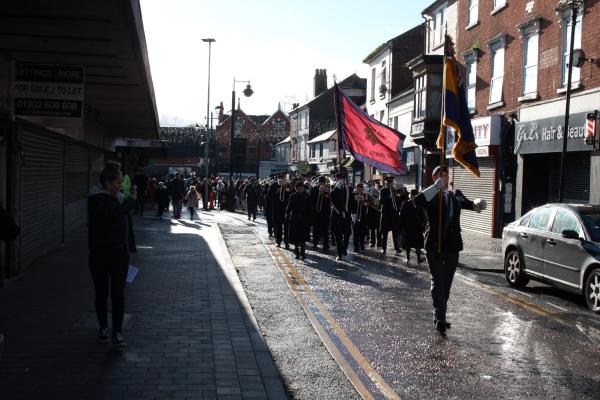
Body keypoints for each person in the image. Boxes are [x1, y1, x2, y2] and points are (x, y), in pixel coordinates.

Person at [414, 165, 486, 335]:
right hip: (435, 245)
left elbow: (470, 205)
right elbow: (417, 201)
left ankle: (439, 312)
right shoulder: (431, 195)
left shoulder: (455, 195)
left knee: (446, 285)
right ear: (434, 178)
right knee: (437, 283)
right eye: (440, 175)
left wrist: (478, 204)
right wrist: (435, 187)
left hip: (452, 246)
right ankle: (440, 318)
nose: (444, 178)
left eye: (446, 175)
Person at [87, 161, 136, 348]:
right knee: (101, 293)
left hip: (119, 255)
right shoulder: (96, 199)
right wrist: (130, 201)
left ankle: (117, 332)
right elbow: (113, 215)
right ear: (107, 183)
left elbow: (125, 225)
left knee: (118, 294)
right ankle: (103, 328)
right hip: (100, 254)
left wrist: (129, 247)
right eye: (118, 182)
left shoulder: (120, 198)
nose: (121, 186)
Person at [399, 189, 426, 263]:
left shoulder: (419, 204)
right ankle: (408, 258)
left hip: (417, 227)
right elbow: (402, 215)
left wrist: (423, 225)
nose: (413, 197)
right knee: (408, 243)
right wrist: (402, 226)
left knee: (418, 243)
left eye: (415, 195)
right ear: (410, 196)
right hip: (408, 227)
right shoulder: (405, 203)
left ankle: (419, 258)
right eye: (412, 195)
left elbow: (423, 216)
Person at [330, 169, 352, 261]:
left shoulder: (349, 189)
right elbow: (331, 198)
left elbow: (352, 201)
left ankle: (344, 248)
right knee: (337, 235)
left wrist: (354, 213)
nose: (341, 180)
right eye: (339, 179)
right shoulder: (334, 188)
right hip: (337, 215)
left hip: (346, 214)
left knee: (347, 234)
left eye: (342, 179)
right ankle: (339, 254)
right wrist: (336, 188)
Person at [286, 180, 310, 260]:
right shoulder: (292, 196)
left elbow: (310, 208)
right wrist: (287, 215)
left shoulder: (307, 195)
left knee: (303, 238)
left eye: (301, 187)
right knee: (296, 237)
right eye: (298, 187)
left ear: (303, 188)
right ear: (296, 188)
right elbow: (289, 207)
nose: (300, 189)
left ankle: (303, 253)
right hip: (295, 218)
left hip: (304, 219)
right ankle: (296, 253)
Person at [379, 176, 401, 255]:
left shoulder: (395, 190)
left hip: (394, 214)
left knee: (395, 232)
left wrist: (397, 196)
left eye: (391, 182)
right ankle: (383, 248)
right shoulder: (383, 190)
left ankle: (397, 248)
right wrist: (389, 197)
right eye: (388, 182)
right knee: (384, 232)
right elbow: (381, 201)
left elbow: (399, 201)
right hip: (386, 214)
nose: (390, 184)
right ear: (386, 183)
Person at [309, 176, 331, 250]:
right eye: (320, 182)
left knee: (325, 229)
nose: (321, 183)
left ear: (324, 183)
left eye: (322, 182)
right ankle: (315, 243)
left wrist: (325, 192)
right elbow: (311, 200)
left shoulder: (327, 190)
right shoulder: (314, 189)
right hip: (316, 212)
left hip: (325, 212)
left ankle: (326, 244)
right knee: (316, 229)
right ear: (318, 182)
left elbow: (329, 200)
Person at [351, 183, 369, 253]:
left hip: (363, 215)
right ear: (356, 188)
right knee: (355, 232)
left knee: (362, 231)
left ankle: (362, 245)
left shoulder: (365, 195)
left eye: (361, 188)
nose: (360, 190)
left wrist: (363, 202)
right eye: (359, 188)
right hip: (355, 215)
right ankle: (356, 247)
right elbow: (351, 204)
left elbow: (367, 204)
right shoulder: (353, 195)